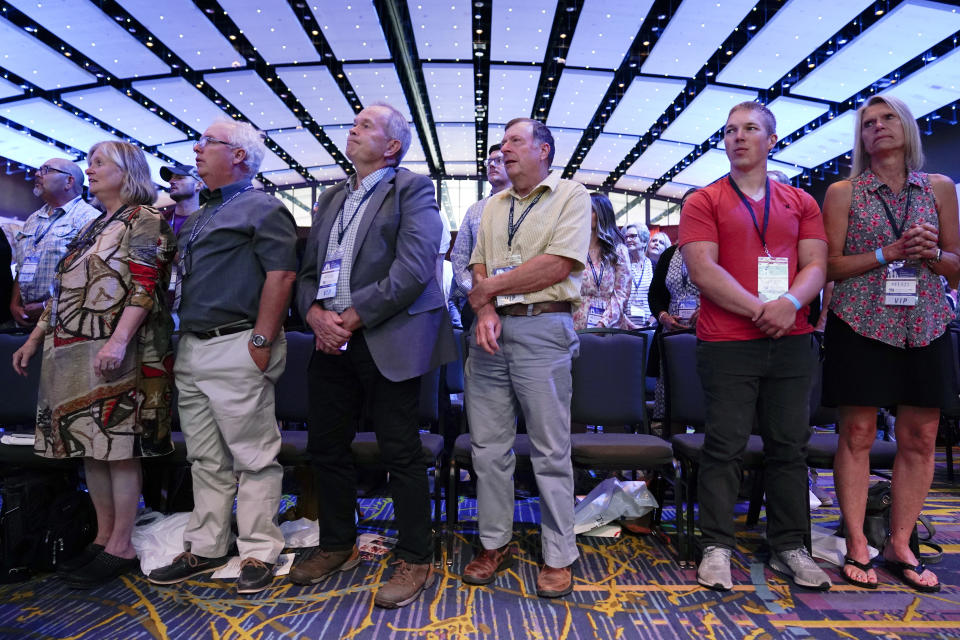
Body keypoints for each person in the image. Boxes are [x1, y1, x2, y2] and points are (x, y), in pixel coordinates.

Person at [289, 102, 455, 609]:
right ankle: (336, 543)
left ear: (392, 146)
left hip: (385, 337)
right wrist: (315, 313)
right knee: (327, 447)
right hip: (331, 338)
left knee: (400, 451)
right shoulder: (333, 195)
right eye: (352, 123)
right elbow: (310, 269)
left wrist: (352, 317)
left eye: (366, 126)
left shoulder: (412, 188)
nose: (352, 129)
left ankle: (415, 556)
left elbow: (413, 269)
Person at [679, 101, 830, 591]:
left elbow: (816, 266)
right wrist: (759, 308)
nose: (738, 137)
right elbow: (702, 270)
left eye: (749, 129)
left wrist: (788, 303)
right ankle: (716, 546)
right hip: (727, 341)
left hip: (792, 339)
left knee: (790, 447)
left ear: (771, 140)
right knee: (724, 446)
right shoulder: (704, 201)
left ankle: (791, 546)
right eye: (729, 131)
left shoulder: (800, 202)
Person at [12, 141, 175, 588]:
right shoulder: (95, 225)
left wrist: (119, 342)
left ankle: (121, 543)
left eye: (100, 162)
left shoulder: (143, 219)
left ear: (127, 171)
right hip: (73, 351)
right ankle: (104, 539)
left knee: (118, 450)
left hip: (114, 351)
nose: (91, 169)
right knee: (91, 448)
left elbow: (146, 287)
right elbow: (63, 291)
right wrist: (33, 339)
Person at [147, 119, 298, 595]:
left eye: (207, 142)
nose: (196, 148)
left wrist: (261, 341)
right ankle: (208, 545)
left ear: (238, 155)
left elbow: (281, 277)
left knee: (253, 456)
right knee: (205, 458)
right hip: (192, 345)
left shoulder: (263, 208)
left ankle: (258, 550)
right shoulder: (196, 216)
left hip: (238, 342)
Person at [822, 95, 959, 593]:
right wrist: (888, 252)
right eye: (867, 123)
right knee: (857, 435)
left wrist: (933, 253)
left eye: (887, 119)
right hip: (859, 322)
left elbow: (956, 269)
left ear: (907, 127)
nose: (878, 128)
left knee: (921, 437)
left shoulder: (940, 188)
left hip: (925, 323)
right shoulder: (844, 192)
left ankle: (900, 543)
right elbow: (828, 267)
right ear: (860, 139)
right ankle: (858, 541)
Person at [461, 117, 590, 598]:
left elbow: (557, 264)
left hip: (544, 326)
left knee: (550, 448)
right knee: (488, 448)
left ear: (545, 151)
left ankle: (560, 553)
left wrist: (486, 292)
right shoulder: (491, 206)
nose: (505, 148)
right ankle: (494, 542)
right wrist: (487, 308)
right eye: (503, 142)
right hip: (491, 333)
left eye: (516, 141)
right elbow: (478, 259)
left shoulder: (571, 195)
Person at [10, 159, 99, 328]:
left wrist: (46, 306)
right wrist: (15, 303)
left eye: (46, 170)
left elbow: (89, 277)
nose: (37, 174)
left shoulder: (89, 218)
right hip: (25, 318)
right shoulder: (33, 219)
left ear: (69, 181)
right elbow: (22, 267)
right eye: (39, 169)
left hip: (64, 322)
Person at [647, 188, 701, 422]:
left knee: (700, 397)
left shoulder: (716, 250)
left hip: (705, 334)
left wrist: (707, 312)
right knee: (671, 400)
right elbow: (655, 294)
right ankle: (671, 452)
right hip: (671, 334)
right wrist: (663, 316)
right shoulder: (670, 254)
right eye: (686, 206)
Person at [450, 144, 512, 329]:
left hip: (515, 302)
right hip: (476, 302)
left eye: (499, 161)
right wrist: (475, 290)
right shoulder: (474, 210)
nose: (492, 165)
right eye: (489, 162)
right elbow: (459, 257)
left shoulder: (525, 207)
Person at [572, 193, 630, 330]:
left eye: (590, 210)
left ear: (602, 215)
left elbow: (622, 294)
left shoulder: (618, 250)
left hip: (609, 325)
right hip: (575, 324)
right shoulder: (575, 248)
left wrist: (603, 323)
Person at [622, 223, 655, 328]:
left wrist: (648, 324)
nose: (628, 240)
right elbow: (616, 299)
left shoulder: (653, 266)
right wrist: (630, 325)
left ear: (644, 241)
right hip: (625, 328)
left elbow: (658, 298)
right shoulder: (621, 266)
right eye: (626, 237)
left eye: (632, 236)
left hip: (649, 327)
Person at [160, 163, 203, 236]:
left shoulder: (209, 222)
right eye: (171, 178)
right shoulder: (159, 220)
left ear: (198, 185)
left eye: (179, 178)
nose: (171, 181)